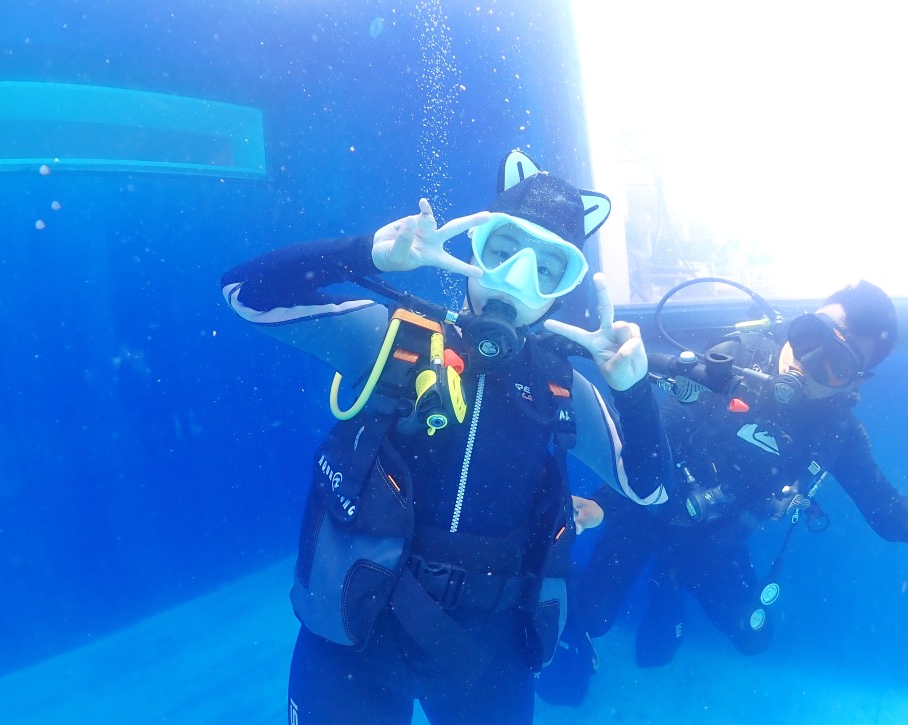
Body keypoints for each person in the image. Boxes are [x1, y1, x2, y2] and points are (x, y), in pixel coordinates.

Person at [220, 149, 671, 725]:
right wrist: (367, 253)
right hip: (354, 643)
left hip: (486, 660)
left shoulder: (563, 387)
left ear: (564, 290)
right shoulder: (391, 341)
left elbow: (649, 489)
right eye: (502, 250)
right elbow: (243, 292)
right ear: (473, 248)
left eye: (548, 269)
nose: (516, 280)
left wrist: (633, 392)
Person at [537, 279, 908, 706]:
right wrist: (603, 503)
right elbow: (659, 440)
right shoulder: (738, 358)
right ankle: (615, 591)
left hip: (715, 544)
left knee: (754, 639)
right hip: (644, 513)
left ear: (855, 382)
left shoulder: (835, 430)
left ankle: (669, 580)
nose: (806, 364)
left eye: (834, 366)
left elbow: (891, 515)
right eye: (809, 340)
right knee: (593, 620)